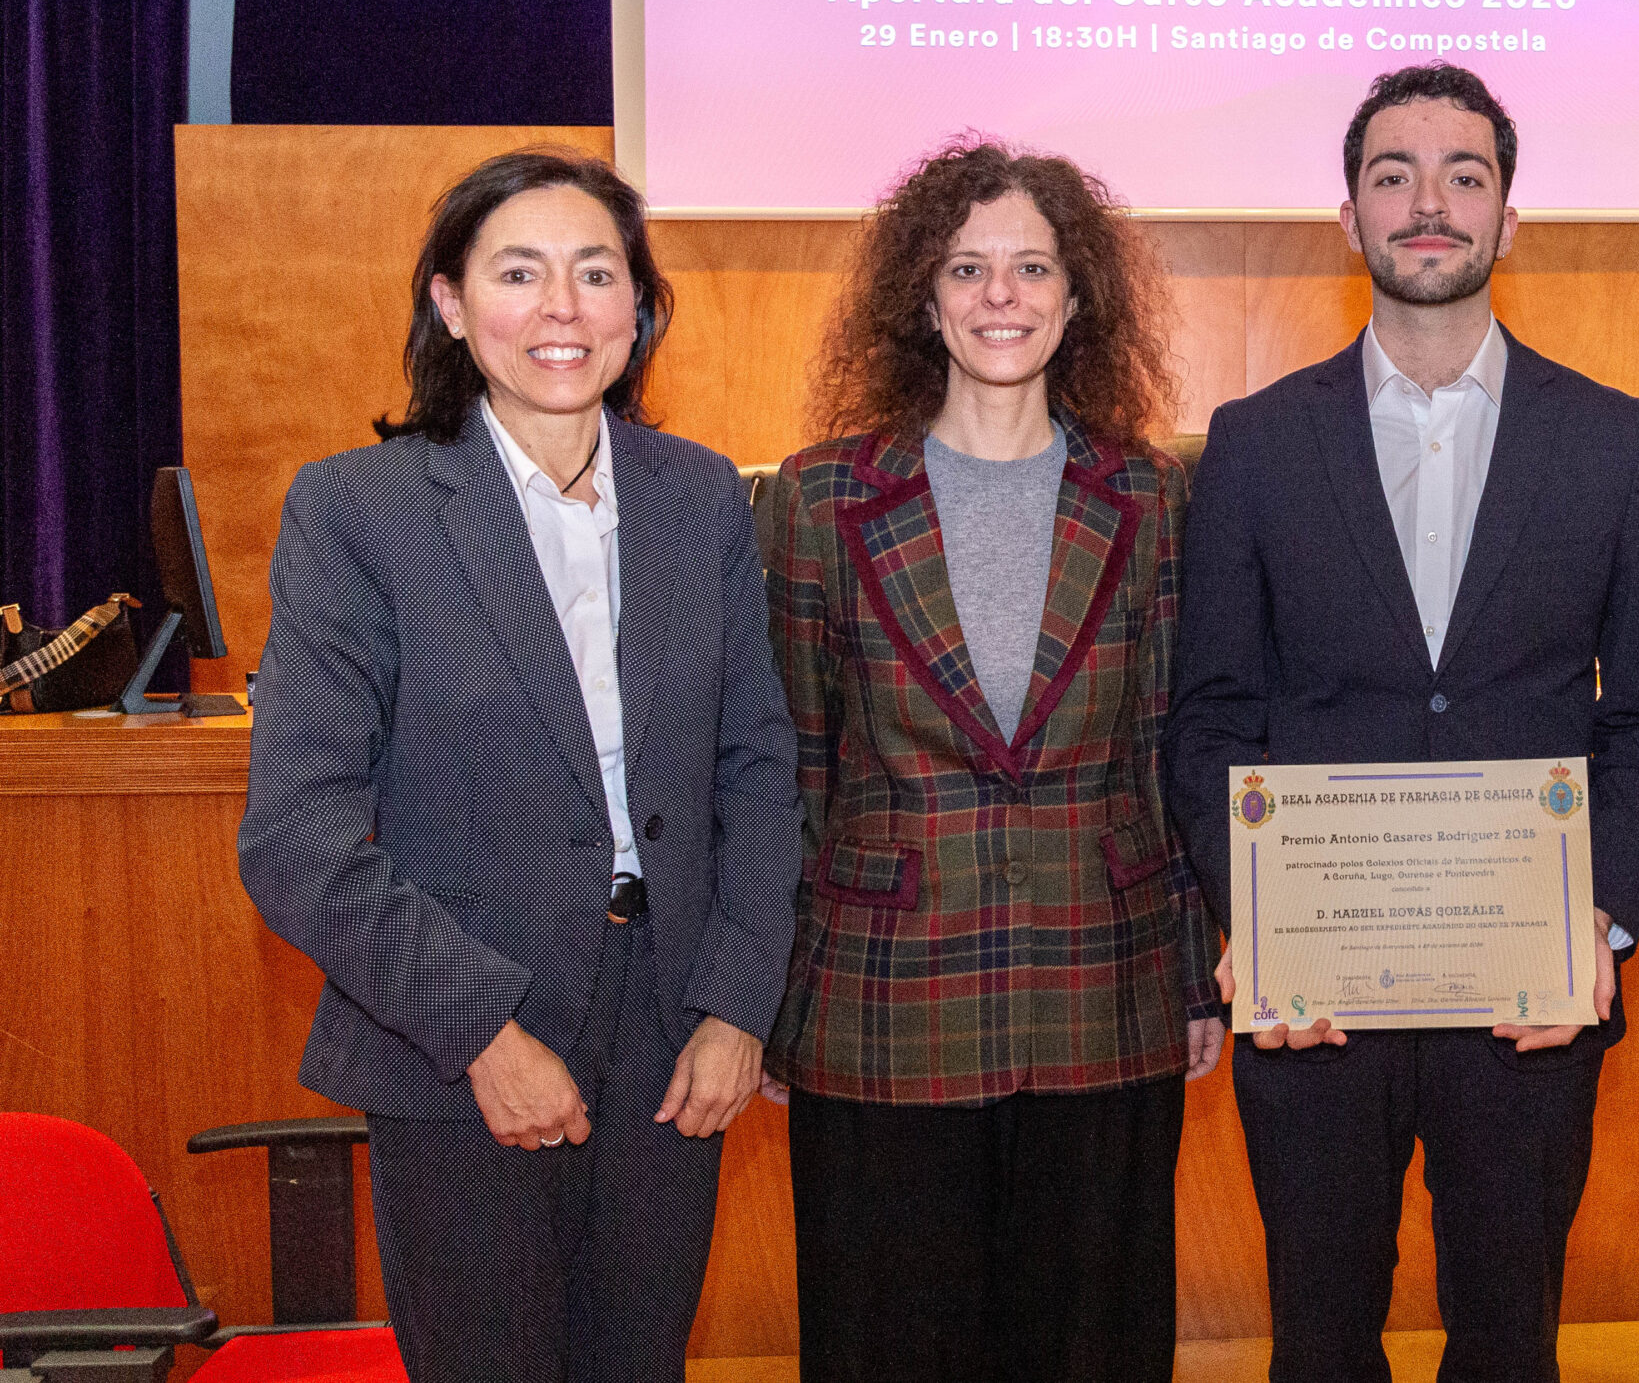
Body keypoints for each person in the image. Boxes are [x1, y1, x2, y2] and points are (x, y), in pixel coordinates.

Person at [238, 148, 803, 1382]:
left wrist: (735, 1005)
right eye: (518, 273)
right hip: (460, 1035)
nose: (562, 308)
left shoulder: (701, 497)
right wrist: (483, 1033)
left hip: (671, 1035)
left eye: (596, 274)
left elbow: (758, 770)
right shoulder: (361, 511)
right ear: (450, 303)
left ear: (639, 307)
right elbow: (295, 837)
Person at [1169, 64, 1639, 1383]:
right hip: (1315, 995)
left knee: (1510, 1340)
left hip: (1529, 990)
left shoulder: (1618, 441)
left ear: (1510, 215)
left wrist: (1597, 927)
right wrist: (1257, 925)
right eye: (1393, 175)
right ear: (1348, 216)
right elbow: (1212, 717)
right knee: (1321, 1340)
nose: (1429, 203)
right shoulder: (1252, 443)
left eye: (1465, 174)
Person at [762, 139, 1222, 1383]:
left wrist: (1195, 980)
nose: (1000, 295)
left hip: (1105, 989)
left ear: (1079, 298)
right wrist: (772, 1000)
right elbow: (791, 768)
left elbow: (1168, 746)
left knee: (1091, 1348)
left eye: (1032, 267)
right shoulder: (818, 500)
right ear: (922, 298)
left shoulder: (1151, 496)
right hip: (882, 1002)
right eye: (966, 269)